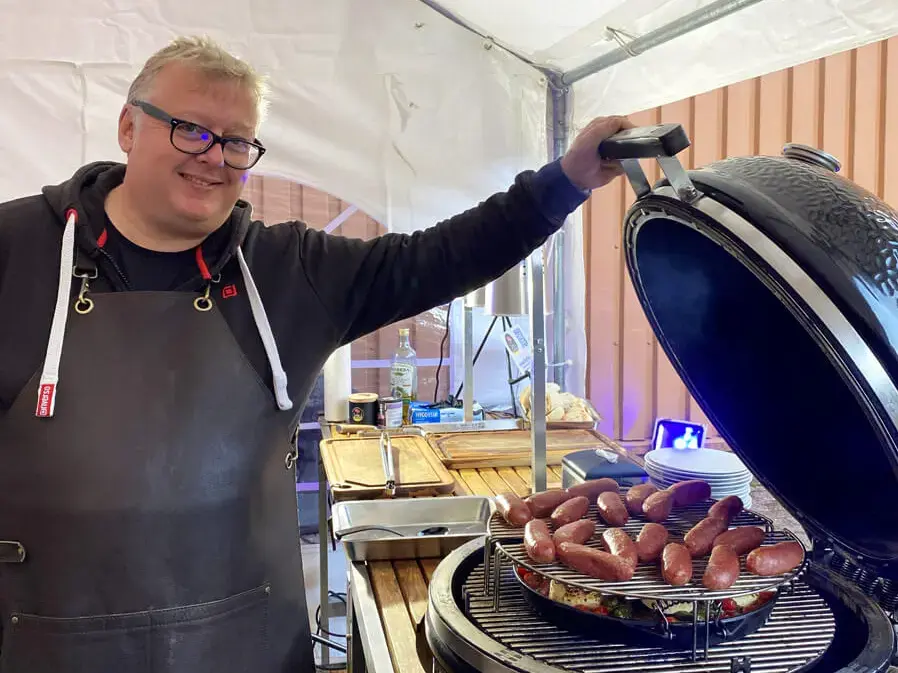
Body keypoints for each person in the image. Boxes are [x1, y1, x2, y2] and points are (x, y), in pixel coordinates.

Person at [0, 35, 632, 673]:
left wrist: (566, 181)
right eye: (190, 129)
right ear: (128, 127)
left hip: (244, 642)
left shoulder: (291, 268)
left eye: (237, 141)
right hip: (45, 643)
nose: (214, 157)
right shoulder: (13, 250)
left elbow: (438, 258)